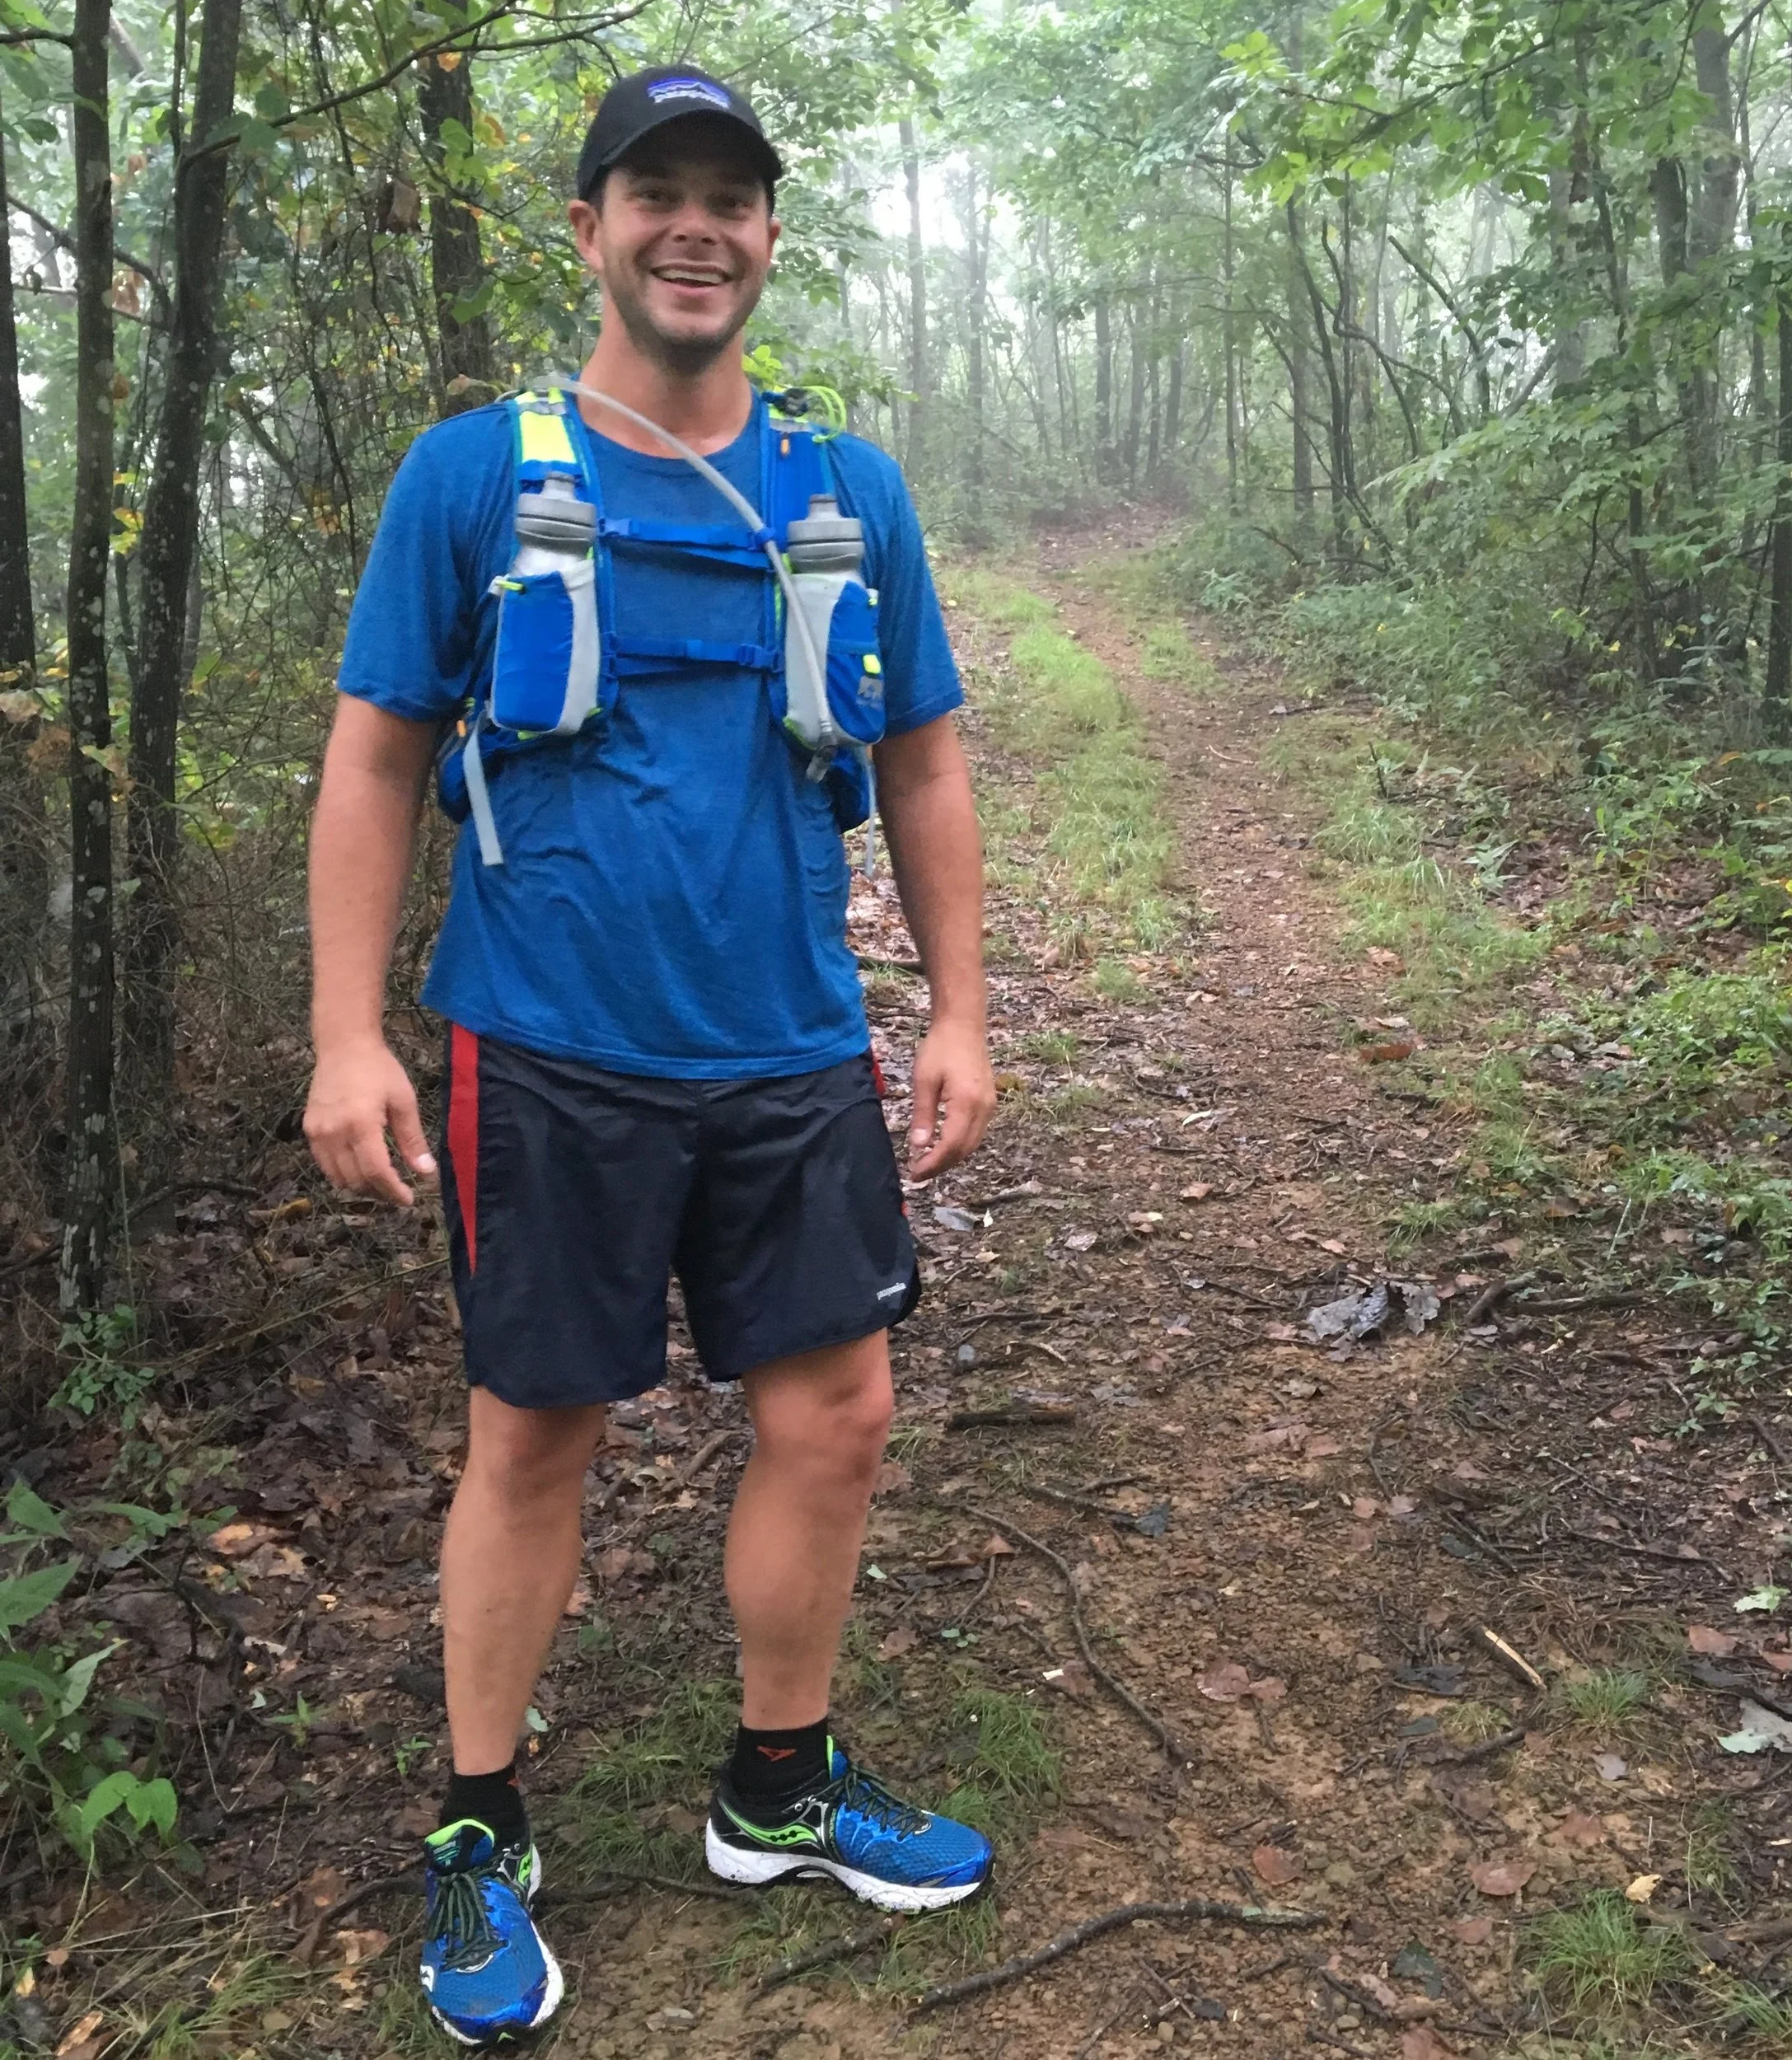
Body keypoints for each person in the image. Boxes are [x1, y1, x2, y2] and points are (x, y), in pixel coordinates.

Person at [302, 63, 994, 2046]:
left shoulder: (844, 492)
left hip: (788, 1045)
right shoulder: (471, 475)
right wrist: (345, 1032)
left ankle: (776, 1785)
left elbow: (924, 758)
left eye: (732, 198)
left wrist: (957, 1007)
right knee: (534, 1430)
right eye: (655, 192)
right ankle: (480, 1825)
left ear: (770, 239)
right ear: (590, 226)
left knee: (835, 1415)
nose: (696, 227)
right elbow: (371, 753)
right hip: (546, 1046)